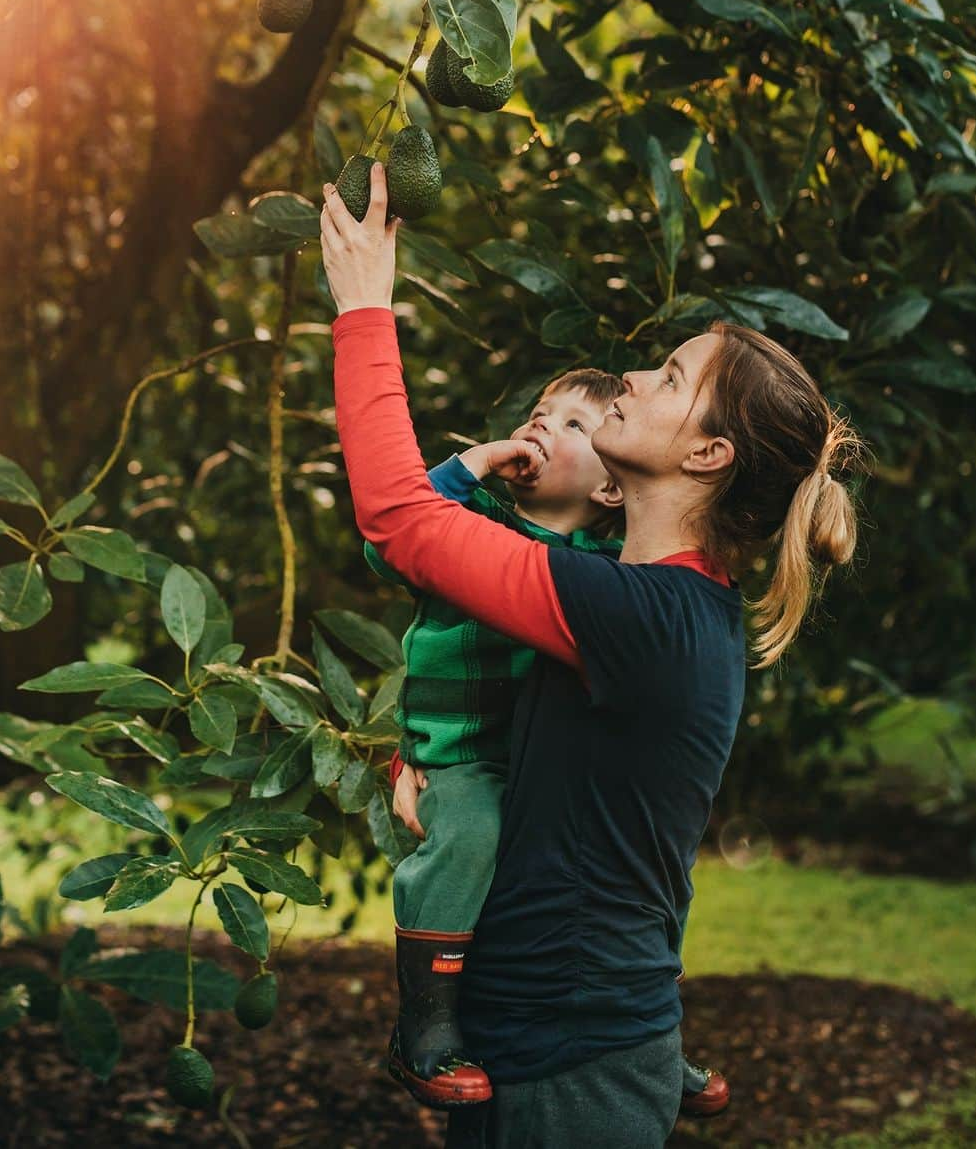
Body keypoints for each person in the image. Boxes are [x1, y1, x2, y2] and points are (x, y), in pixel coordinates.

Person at [321, 167, 860, 1148]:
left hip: (572, 1069)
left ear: (706, 457)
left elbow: (399, 518)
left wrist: (362, 307)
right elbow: (501, 711)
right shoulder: (642, 596)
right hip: (555, 1044)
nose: (639, 379)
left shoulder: (644, 615)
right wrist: (421, 762)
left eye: (671, 379)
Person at [363, 371, 731, 1117]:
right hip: (465, 756)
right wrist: (470, 462)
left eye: (571, 426)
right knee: (471, 832)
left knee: (648, 866)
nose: (541, 427)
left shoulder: (605, 575)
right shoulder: (477, 523)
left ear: (607, 491)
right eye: (539, 413)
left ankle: (651, 1030)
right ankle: (424, 1021)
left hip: (542, 765)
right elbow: (392, 540)